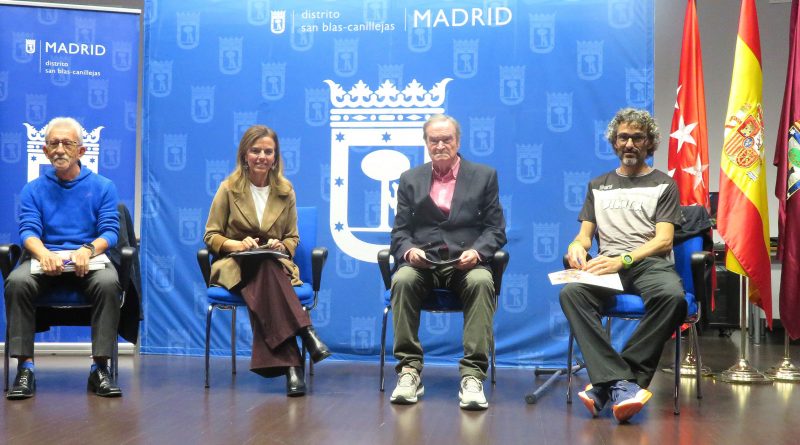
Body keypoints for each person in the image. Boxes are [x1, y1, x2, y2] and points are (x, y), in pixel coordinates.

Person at [559, 108, 687, 423]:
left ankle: (608, 383)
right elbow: (584, 236)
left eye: (637, 138)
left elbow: (664, 241)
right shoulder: (598, 185)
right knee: (571, 294)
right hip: (607, 265)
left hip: (647, 264)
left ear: (650, 144)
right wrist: (576, 247)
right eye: (623, 138)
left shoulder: (664, 184)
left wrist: (624, 259)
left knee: (673, 299)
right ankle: (622, 384)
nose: (629, 144)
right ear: (614, 144)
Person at [389, 114, 506, 410]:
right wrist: (408, 251)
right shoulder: (409, 179)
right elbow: (400, 232)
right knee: (402, 279)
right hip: (424, 262)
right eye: (434, 140)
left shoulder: (484, 176)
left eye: (447, 139)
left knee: (482, 281)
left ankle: (472, 376)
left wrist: (478, 252)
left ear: (458, 141)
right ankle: (409, 370)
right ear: (426, 143)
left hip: (465, 262)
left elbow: (496, 229)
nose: (440, 145)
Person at [204, 124, 330, 397]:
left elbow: (293, 239)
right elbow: (211, 235)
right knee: (260, 266)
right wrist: (236, 244)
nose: (262, 156)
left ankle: (293, 364)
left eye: (268, 151)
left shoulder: (286, 191)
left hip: (275, 265)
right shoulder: (228, 189)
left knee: (266, 266)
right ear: (244, 155)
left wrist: (280, 245)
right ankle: (305, 334)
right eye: (256, 150)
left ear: (276, 157)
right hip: (235, 265)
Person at [5, 117, 122, 399]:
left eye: (67, 143)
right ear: (45, 151)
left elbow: (110, 231)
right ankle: (25, 368)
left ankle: (100, 369)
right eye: (53, 143)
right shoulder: (33, 189)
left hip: (87, 261)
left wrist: (88, 249)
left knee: (108, 282)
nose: (59, 149)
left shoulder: (103, 186)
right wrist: (44, 253)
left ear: (81, 151)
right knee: (16, 282)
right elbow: (28, 230)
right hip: (46, 261)